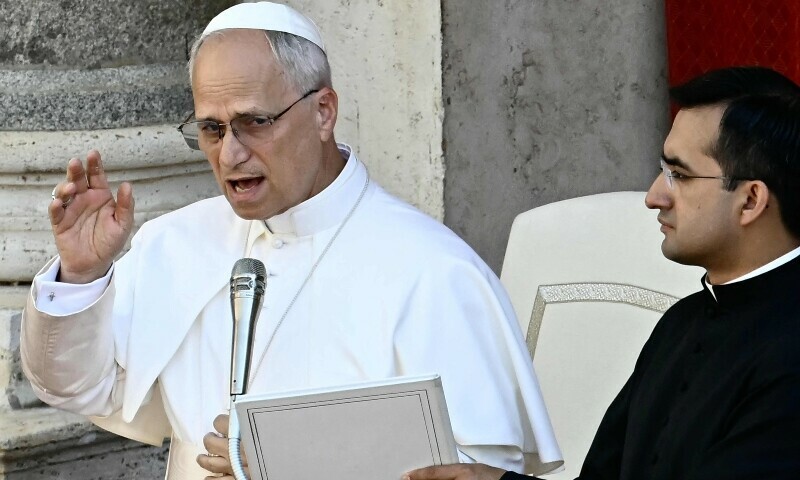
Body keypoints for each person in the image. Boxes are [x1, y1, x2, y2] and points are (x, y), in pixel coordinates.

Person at [20, 2, 563, 479]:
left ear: (323, 112)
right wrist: (83, 276)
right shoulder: (176, 242)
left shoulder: (435, 273)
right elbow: (77, 389)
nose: (229, 154)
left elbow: (468, 476)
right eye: (211, 129)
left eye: (254, 122)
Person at [405, 66, 800, 480]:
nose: (654, 196)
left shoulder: (793, 353)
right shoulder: (681, 324)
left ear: (751, 199)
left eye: (679, 175)